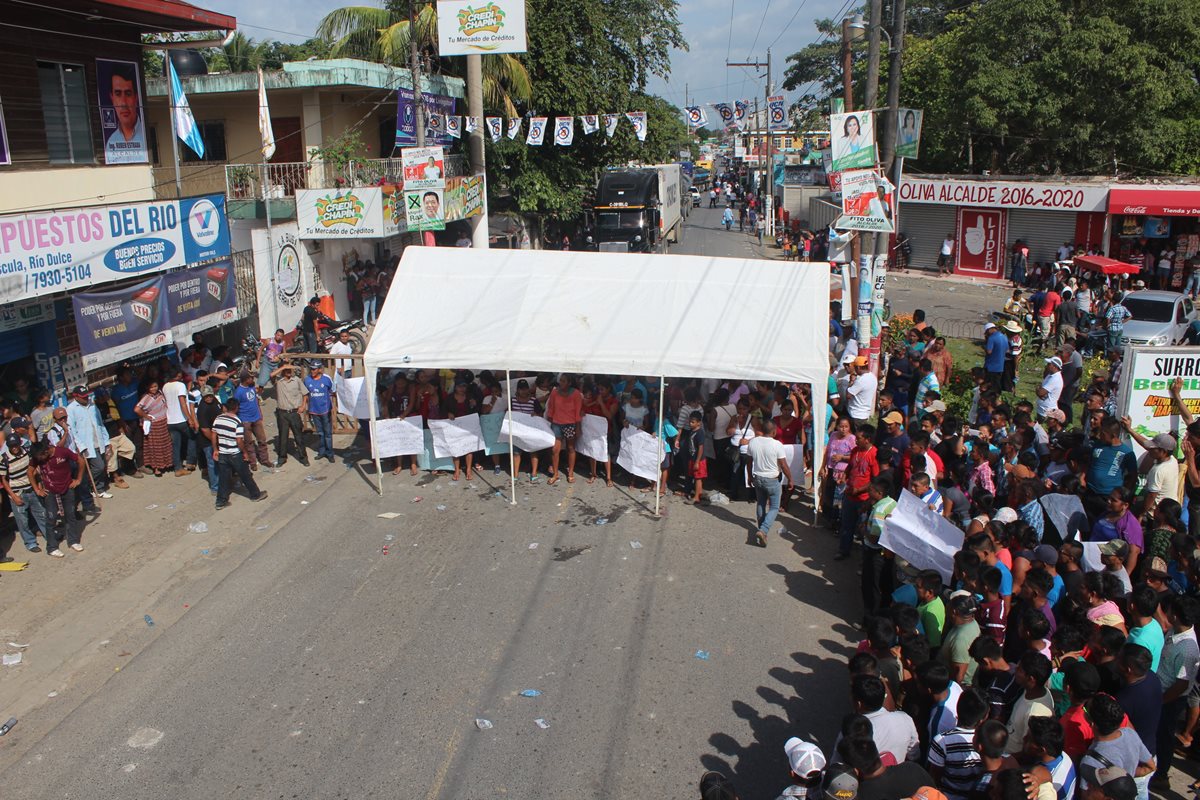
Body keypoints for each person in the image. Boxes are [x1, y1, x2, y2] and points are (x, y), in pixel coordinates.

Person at [29, 439, 87, 557]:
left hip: (67, 487)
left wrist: (79, 479)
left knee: (70, 515)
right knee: (51, 518)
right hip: (49, 491)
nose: (38, 460)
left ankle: (73, 541)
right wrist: (37, 489)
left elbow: (81, 461)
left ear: (46, 451)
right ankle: (52, 547)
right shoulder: (36, 457)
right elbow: (30, 472)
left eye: (40, 456)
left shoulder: (63, 452)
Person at [211, 398, 267, 510]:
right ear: (236, 408)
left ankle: (220, 501)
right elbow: (239, 441)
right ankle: (255, 495)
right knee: (246, 475)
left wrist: (215, 449)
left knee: (223, 478)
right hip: (235, 454)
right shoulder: (237, 422)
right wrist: (245, 453)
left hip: (223, 453)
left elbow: (214, 435)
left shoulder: (218, 418)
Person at [1, 434, 51, 554]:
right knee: (22, 521)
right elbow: (3, 480)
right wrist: (13, 496)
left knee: (42, 514)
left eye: (16, 445)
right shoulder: (4, 459)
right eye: (11, 446)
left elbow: (35, 470)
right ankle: (30, 543)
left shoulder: (28, 453)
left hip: (32, 489)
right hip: (18, 493)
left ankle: (49, 537)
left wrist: (39, 485)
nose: (14, 448)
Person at [747, 419, 793, 548]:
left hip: (758, 477)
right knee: (774, 507)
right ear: (774, 432)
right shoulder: (777, 444)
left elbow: (749, 461)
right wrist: (790, 479)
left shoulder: (753, 442)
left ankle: (762, 531)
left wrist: (750, 476)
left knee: (761, 503)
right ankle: (763, 530)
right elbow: (783, 465)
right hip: (772, 480)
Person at [103, 61, 145, 162]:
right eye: (118, 94)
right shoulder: (111, 143)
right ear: (112, 97)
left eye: (128, 93)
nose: (123, 103)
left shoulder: (145, 138)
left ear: (136, 97)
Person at [546, 374, 583, 485]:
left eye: (563, 381)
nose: (560, 383)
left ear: (569, 383)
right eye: (560, 380)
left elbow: (578, 412)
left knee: (570, 448)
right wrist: (550, 421)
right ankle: (555, 474)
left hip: (570, 424)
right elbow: (551, 408)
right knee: (555, 450)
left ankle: (570, 473)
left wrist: (577, 427)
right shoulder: (554, 392)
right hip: (556, 423)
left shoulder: (576, 394)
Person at [271, 361, 309, 468]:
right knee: (283, 437)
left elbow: (305, 394)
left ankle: (303, 458)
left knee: (299, 436)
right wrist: (283, 366)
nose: (288, 372)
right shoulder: (278, 381)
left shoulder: (296, 380)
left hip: (294, 412)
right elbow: (271, 375)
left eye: (289, 370)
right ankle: (282, 458)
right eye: (286, 370)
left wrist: (303, 406)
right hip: (282, 413)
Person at [233, 372, 273, 470]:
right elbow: (236, 406)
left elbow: (256, 400)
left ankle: (265, 459)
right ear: (246, 379)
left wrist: (259, 413)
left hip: (256, 418)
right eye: (250, 378)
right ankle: (253, 462)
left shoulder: (252, 387)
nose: (252, 380)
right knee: (249, 442)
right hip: (245, 420)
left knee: (262, 440)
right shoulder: (239, 392)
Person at [134, 381, 173, 477]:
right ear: (148, 388)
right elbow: (137, 409)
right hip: (154, 425)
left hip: (163, 422)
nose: (154, 389)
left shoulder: (160, 393)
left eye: (155, 386)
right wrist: (146, 416)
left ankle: (167, 464)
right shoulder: (146, 398)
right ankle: (156, 468)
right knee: (156, 446)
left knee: (166, 443)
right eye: (151, 387)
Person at [304, 362, 336, 463]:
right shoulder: (307, 380)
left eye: (314, 369)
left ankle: (330, 453)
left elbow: (333, 391)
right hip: (314, 410)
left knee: (327, 433)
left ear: (319, 370)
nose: (312, 371)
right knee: (320, 433)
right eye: (311, 369)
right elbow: (305, 394)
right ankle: (322, 452)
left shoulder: (326, 379)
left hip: (325, 410)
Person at [846, 357, 878, 424]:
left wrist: (851, 381)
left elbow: (848, 395)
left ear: (858, 368)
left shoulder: (861, 380)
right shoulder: (873, 377)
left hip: (856, 414)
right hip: (865, 414)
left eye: (855, 367)